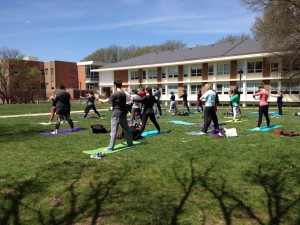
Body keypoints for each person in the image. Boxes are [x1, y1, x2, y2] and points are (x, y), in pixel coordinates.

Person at [97, 80, 133, 151]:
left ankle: (110, 148)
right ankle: (130, 143)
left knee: (113, 132)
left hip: (116, 114)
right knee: (127, 130)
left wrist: (97, 98)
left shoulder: (115, 94)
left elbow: (106, 101)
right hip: (123, 114)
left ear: (115, 86)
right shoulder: (124, 94)